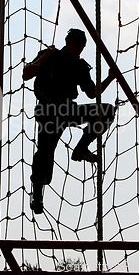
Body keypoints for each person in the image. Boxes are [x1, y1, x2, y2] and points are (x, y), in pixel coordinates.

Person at [22, 28, 116, 214]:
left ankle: (81, 147)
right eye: (76, 44)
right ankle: (38, 193)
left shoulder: (79, 66)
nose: (79, 48)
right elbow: (26, 74)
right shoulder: (50, 56)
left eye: (82, 45)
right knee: (45, 152)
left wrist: (110, 78)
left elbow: (92, 93)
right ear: (68, 42)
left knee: (106, 112)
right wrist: (46, 56)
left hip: (67, 109)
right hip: (48, 110)